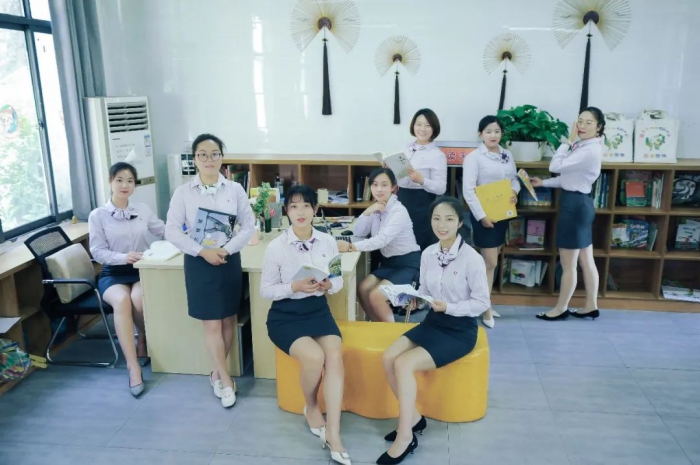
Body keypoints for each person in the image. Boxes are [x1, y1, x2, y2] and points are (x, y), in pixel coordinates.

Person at [378, 196, 490, 465]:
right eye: (437, 219)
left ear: (460, 223)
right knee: (388, 357)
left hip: (460, 330)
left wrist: (449, 307)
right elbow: (426, 291)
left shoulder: (472, 259)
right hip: (433, 322)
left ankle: (405, 436)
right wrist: (416, 299)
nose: (442, 225)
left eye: (449, 219)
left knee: (404, 363)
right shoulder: (428, 253)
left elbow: (481, 303)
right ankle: (414, 419)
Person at [261, 184, 351, 465]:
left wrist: (328, 285)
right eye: (294, 206)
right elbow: (266, 290)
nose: (300, 212)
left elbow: (337, 279)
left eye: (306, 206)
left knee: (334, 356)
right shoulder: (276, 247)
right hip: (285, 315)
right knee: (314, 357)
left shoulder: (327, 241)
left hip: (318, 311)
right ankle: (311, 405)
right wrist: (294, 286)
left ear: (315, 209)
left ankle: (333, 433)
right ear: (286, 211)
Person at [165, 133, 255, 408]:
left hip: (228, 260)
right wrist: (203, 251)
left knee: (228, 320)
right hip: (199, 261)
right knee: (212, 323)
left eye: (214, 154)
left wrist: (226, 250)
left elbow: (248, 225)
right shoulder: (183, 193)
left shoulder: (235, 190)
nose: (208, 159)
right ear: (194, 159)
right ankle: (226, 380)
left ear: (221, 158)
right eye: (202, 154)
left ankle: (216, 373)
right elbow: (171, 231)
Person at [88, 162, 165, 397]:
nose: (125, 185)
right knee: (122, 301)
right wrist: (123, 257)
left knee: (139, 299)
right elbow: (97, 252)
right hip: (113, 272)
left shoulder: (142, 209)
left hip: (140, 269)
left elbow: (162, 230)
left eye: (130, 181)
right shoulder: (98, 215)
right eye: (120, 180)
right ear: (110, 182)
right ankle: (133, 367)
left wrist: (190, 236)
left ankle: (143, 338)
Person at [530, 107, 605, 321]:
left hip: (574, 207)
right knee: (586, 260)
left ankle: (560, 308)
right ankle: (591, 305)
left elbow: (556, 166)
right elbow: (569, 179)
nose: (582, 126)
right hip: (582, 203)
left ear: (598, 127)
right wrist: (543, 183)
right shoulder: (587, 146)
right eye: (580, 121)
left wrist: (568, 141)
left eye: (589, 122)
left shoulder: (587, 150)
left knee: (569, 264)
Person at [337, 168, 421, 323]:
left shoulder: (398, 211)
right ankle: (379, 327)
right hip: (389, 263)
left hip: (408, 264)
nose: (379, 189)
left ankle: (391, 333)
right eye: (375, 185)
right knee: (362, 288)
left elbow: (382, 240)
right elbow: (359, 231)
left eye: (384, 185)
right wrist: (367, 212)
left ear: (393, 187)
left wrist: (350, 247)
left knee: (376, 296)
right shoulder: (378, 207)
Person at [462, 115, 519, 328]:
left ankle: (485, 303)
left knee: (490, 264)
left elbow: (514, 179)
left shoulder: (506, 154)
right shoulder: (474, 158)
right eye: (488, 131)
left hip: (502, 213)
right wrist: (481, 216)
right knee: (490, 263)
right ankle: (485, 309)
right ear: (481, 134)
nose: (493, 135)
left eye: (496, 131)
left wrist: (515, 191)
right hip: (484, 216)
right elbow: (468, 191)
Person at [395, 109, 447, 251]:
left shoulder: (437, 155)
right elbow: (401, 177)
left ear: (434, 128)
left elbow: (441, 188)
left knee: (419, 243)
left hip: (422, 203)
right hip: (402, 199)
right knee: (400, 242)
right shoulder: (406, 149)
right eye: (419, 124)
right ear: (413, 126)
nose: (422, 129)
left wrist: (422, 180)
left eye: (427, 125)